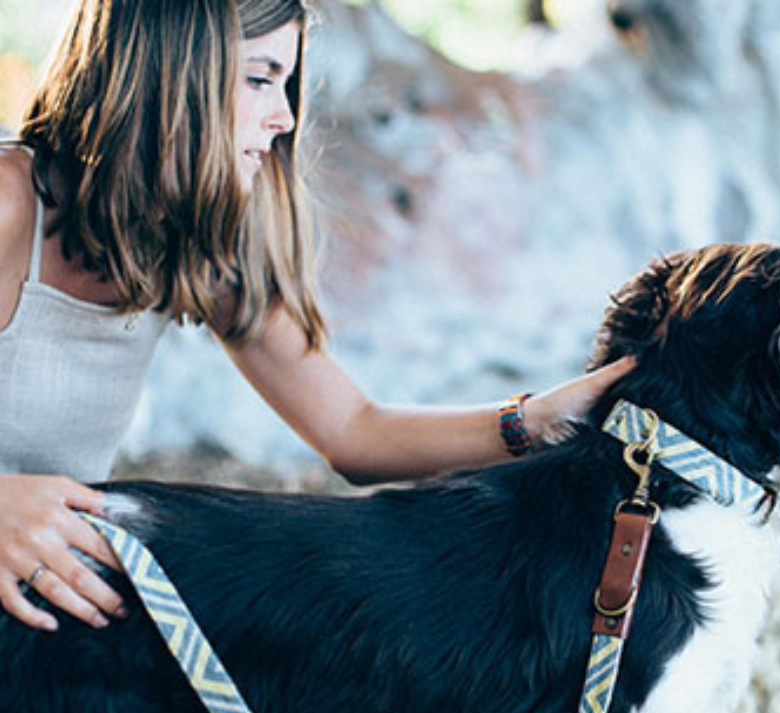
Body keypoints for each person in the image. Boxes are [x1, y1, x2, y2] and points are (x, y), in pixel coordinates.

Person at [0, 0, 632, 634]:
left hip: (37, 610)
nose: (284, 118)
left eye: (287, 83)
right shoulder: (8, 204)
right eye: (258, 78)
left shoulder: (197, 238)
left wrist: (535, 420)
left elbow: (354, 431)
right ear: (171, 71)